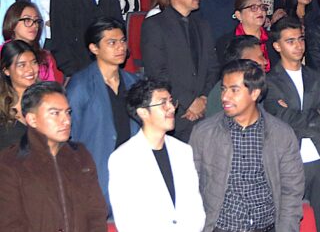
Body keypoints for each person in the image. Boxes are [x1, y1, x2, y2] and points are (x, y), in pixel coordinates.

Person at [190, 59, 305, 232]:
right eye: (224, 89)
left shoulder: (281, 135)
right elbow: (190, 188)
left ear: (255, 93)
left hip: (265, 227)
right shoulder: (204, 133)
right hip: (221, 227)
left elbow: (292, 191)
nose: (225, 97)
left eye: (234, 90)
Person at [0, 82, 107, 231]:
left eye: (68, 112)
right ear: (32, 119)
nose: (66, 120)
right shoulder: (10, 163)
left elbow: (96, 213)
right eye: (55, 113)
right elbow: (10, 223)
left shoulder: (81, 156)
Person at [264, 17, 320, 232]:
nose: (298, 45)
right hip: (288, 161)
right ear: (277, 46)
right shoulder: (269, 81)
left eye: (301, 39)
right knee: (289, 221)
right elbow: (279, 120)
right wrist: (314, 115)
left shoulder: (318, 78)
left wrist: (295, 115)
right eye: (290, 41)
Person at [108, 79, 205, 231]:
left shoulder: (183, 151)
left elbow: (195, 206)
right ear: (143, 112)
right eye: (163, 103)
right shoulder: (123, 159)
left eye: (171, 101)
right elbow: (127, 220)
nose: (171, 108)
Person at [65, 17, 138, 207]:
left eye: (122, 41)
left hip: (132, 172)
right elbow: (69, 135)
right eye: (112, 43)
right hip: (96, 173)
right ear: (94, 48)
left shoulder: (134, 82)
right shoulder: (80, 85)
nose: (120, 47)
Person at [141, 0, 218, 140]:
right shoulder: (155, 25)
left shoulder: (202, 25)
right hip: (175, 112)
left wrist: (204, 99)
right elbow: (156, 71)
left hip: (204, 113)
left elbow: (213, 66)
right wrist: (188, 102)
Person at [2, 1, 57, 82]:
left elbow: (51, 86)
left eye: (36, 21)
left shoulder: (44, 56)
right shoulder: (2, 53)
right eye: (27, 20)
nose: (34, 25)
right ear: (12, 23)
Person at [0, 41, 40, 149]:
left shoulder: (46, 99)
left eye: (34, 62)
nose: (30, 70)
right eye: (22, 65)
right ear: (6, 71)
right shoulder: (2, 110)